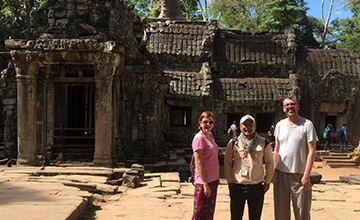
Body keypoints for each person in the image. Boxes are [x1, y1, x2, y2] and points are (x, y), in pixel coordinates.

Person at [273, 97, 318, 220]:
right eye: (287, 105)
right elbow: (276, 150)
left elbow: (312, 151)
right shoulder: (280, 125)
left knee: (302, 211)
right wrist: (272, 172)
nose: (290, 107)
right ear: (283, 109)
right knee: (280, 211)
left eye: (292, 104)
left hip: (300, 173)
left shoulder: (307, 125)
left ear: (297, 106)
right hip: (281, 172)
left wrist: (306, 175)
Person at [224, 115, 274, 220]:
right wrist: (229, 180)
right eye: (245, 125)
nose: (248, 127)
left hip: (256, 186)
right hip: (238, 185)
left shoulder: (263, 142)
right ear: (240, 126)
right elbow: (227, 162)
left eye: (250, 124)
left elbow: (269, 163)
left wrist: (268, 181)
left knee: (255, 217)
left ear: (255, 126)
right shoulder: (233, 143)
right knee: (236, 216)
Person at [191, 111, 220, 220]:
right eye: (205, 122)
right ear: (200, 123)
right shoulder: (199, 138)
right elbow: (198, 162)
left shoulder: (210, 136)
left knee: (209, 213)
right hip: (203, 181)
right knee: (199, 214)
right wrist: (205, 184)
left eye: (210, 122)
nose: (208, 124)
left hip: (213, 179)